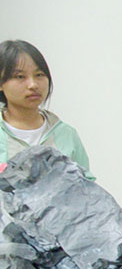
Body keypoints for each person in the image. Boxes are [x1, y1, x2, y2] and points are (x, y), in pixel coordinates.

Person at [0, 40, 90, 175]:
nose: (33, 85)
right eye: (20, 76)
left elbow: (85, 184)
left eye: (39, 75)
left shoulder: (66, 134)